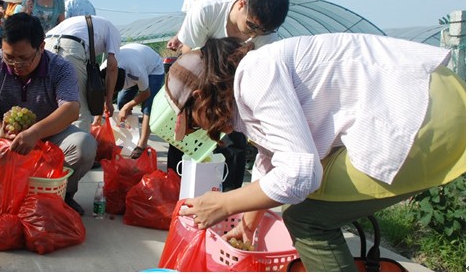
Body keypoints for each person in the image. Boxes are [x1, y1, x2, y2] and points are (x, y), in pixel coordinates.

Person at [167, 36, 466, 272]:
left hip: (418, 112)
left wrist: (225, 203)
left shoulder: (254, 76)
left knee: (306, 219)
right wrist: (248, 224)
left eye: (194, 124)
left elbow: (300, 174)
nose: (201, 131)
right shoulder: (249, 78)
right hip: (431, 101)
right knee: (295, 199)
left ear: (200, 98)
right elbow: (272, 158)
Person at [0, 13, 97, 215]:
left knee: (84, 144)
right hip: (6, 135)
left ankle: (62, 194)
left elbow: (71, 109)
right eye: (9, 57)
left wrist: (35, 133)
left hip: (49, 135)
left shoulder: (60, 68)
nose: (16, 64)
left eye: (24, 58)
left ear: (41, 47)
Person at [168, 0, 290, 190]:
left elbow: (255, 73)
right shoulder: (207, 9)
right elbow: (189, 55)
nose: (255, 34)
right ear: (242, 4)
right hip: (199, 76)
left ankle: (230, 195)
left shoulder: (267, 36)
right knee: (183, 135)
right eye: (252, 26)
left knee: (234, 140)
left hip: (232, 85)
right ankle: (173, 187)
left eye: (264, 31)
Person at [45, 15, 121, 132]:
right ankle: (80, 143)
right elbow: (112, 66)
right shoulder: (113, 30)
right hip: (69, 47)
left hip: (46, 43)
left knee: (51, 106)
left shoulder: (83, 23)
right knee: (79, 110)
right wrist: (109, 101)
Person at [100, 43, 165, 159]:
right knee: (121, 102)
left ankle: (142, 144)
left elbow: (146, 93)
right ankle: (130, 137)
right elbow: (103, 94)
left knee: (148, 107)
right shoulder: (104, 69)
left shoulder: (136, 71)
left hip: (153, 69)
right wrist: (101, 112)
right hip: (134, 60)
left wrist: (127, 107)